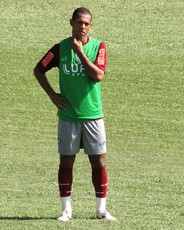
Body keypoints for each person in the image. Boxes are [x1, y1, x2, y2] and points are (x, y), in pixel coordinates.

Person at [33, 7, 116, 221]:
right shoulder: (60, 49)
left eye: (87, 23)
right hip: (68, 116)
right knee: (66, 161)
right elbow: (38, 69)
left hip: (93, 115)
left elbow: (98, 75)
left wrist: (80, 52)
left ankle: (101, 211)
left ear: (91, 26)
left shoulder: (99, 47)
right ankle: (66, 210)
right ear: (71, 23)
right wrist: (52, 95)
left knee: (98, 162)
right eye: (79, 22)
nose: (83, 27)